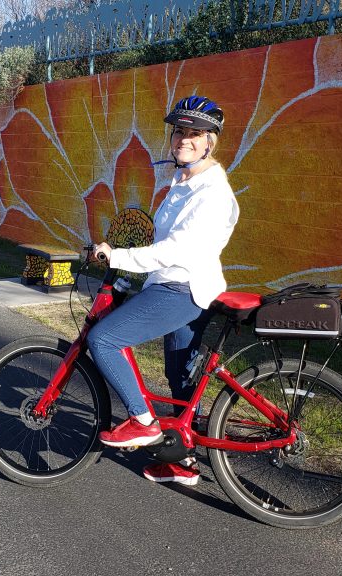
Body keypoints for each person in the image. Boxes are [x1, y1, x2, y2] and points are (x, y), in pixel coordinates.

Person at [88, 95, 239, 486]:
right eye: (179, 132)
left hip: (183, 288)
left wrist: (119, 256)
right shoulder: (184, 182)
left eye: (195, 133)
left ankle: (143, 423)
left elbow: (176, 250)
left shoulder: (212, 193)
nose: (184, 139)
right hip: (170, 282)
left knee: (104, 339)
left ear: (211, 141)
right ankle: (181, 462)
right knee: (179, 375)